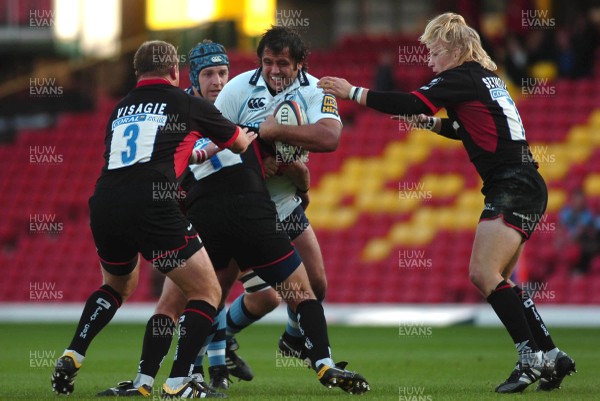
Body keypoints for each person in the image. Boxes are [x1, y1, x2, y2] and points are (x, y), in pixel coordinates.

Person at [317, 12, 576, 393]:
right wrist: (434, 125)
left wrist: (352, 91)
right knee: (501, 279)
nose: (430, 60)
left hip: (512, 184)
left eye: (434, 51)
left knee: (482, 273)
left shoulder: (459, 76)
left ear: (454, 49)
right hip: (525, 182)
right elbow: (467, 127)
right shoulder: (486, 79)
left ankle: (530, 359)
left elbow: (411, 100)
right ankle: (551, 355)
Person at [97, 39, 369, 397]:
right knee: (224, 295)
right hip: (245, 209)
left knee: (251, 294)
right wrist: (261, 150)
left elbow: (307, 157)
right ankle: (307, 363)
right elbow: (223, 148)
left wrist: (289, 173)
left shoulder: (197, 110)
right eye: (209, 74)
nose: (218, 81)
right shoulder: (204, 107)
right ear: (189, 76)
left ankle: (162, 378)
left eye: (222, 72)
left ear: (299, 64)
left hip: (245, 208)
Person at [51, 40, 256, 399]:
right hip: (154, 204)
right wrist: (248, 132)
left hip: (105, 203)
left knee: (116, 287)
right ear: (176, 72)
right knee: (206, 291)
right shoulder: (187, 103)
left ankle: (75, 353)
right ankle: (179, 384)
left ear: (137, 73)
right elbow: (238, 143)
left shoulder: (119, 109)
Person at [215, 25, 340, 376]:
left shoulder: (317, 91)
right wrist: (254, 161)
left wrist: (278, 140)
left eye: (283, 63)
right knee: (216, 289)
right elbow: (211, 148)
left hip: (286, 205)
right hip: (242, 207)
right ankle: (201, 364)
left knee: (316, 286)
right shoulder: (236, 90)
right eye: (268, 62)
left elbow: (330, 137)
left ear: (300, 64)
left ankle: (292, 338)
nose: (274, 70)